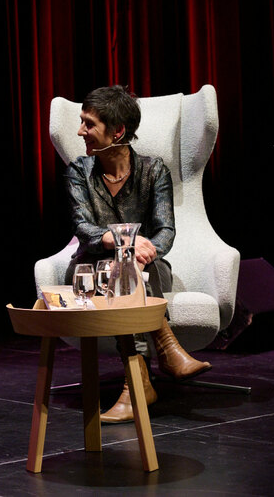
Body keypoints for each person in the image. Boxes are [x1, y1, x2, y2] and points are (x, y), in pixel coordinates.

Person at [64, 85, 212, 423]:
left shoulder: (154, 170)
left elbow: (165, 231)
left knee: (127, 269)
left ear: (117, 131)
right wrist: (123, 241)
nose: (80, 131)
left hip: (148, 269)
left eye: (89, 124)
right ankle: (167, 350)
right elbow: (83, 227)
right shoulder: (79, 171)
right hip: (89, 270)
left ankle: (138, 387)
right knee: (120, 268)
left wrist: (146, 249)